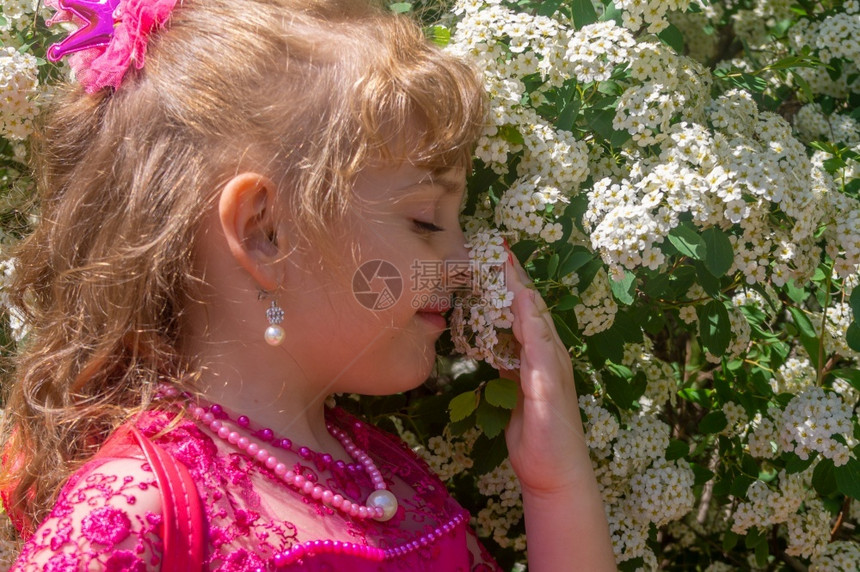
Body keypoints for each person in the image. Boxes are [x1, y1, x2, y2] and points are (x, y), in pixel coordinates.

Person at [0, 0, 615, 569]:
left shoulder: (398, 485)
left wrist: (554, 483)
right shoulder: (134, 513)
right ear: (264, 233)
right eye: (426, 221)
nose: (461, 261)